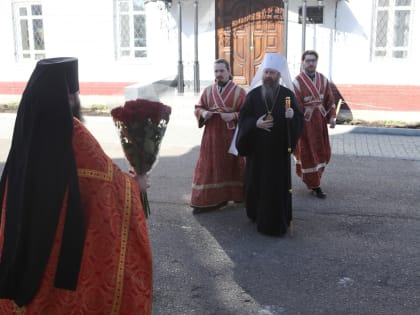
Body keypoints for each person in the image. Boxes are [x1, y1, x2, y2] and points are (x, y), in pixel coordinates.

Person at [0, 57, 152, 314]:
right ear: (67, 97)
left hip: (24, 228)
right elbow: (108, 183)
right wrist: (136, 184)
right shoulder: (72, 133)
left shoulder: (27, 128)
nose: (75, 100)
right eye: (73, 95)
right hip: (60, 233)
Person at [236, 53, 304, 236]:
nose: (269, 76)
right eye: (266, 72)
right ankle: (255, 213)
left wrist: (292, 118)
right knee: (255, 184)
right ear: (262, 73)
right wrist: (254, 124)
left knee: (275, 188)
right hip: (257, 152)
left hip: (278, 153)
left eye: (273, 73)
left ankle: (274, 221)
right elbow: (243, 118)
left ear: (279, 75)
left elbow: (299, 119)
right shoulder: (253, 95)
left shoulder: (288, 95)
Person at [191, 59, 247, 212]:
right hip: (211, 136)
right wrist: (204, 113)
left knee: (232, 166)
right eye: (216, 71)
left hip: (231, 136)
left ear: (229, 72)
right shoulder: (208, 91)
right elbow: (198, 107)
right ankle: (207, 199)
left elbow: (248, 113)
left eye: (222, 71)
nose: (219, 74)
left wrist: (234, 115)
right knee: (208, 166)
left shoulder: (240, 92)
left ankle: (233, 196)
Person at [293, 50, 336, 199]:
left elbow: (330, 100)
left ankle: (315, 180)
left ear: (316, 62)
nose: (311, 63)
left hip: (320, 123)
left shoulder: (323, 80)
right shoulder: (297, 82)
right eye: (308, 61)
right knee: (308, 155)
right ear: (302, 62)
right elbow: (295, 105)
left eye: (313, 61)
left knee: (322, 153)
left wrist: (332, 117)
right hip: (305, 126)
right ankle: (315, 185)